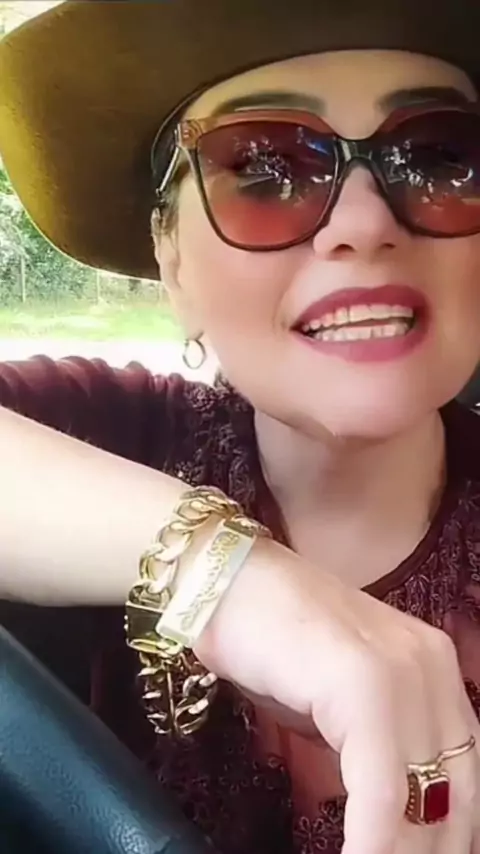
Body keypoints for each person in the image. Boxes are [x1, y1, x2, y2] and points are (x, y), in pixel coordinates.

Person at [1, 1, 480, 851]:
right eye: (263, 168)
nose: (365, 224)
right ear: (173, 263)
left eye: (440, 157)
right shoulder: (101, 434)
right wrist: (222, 570)